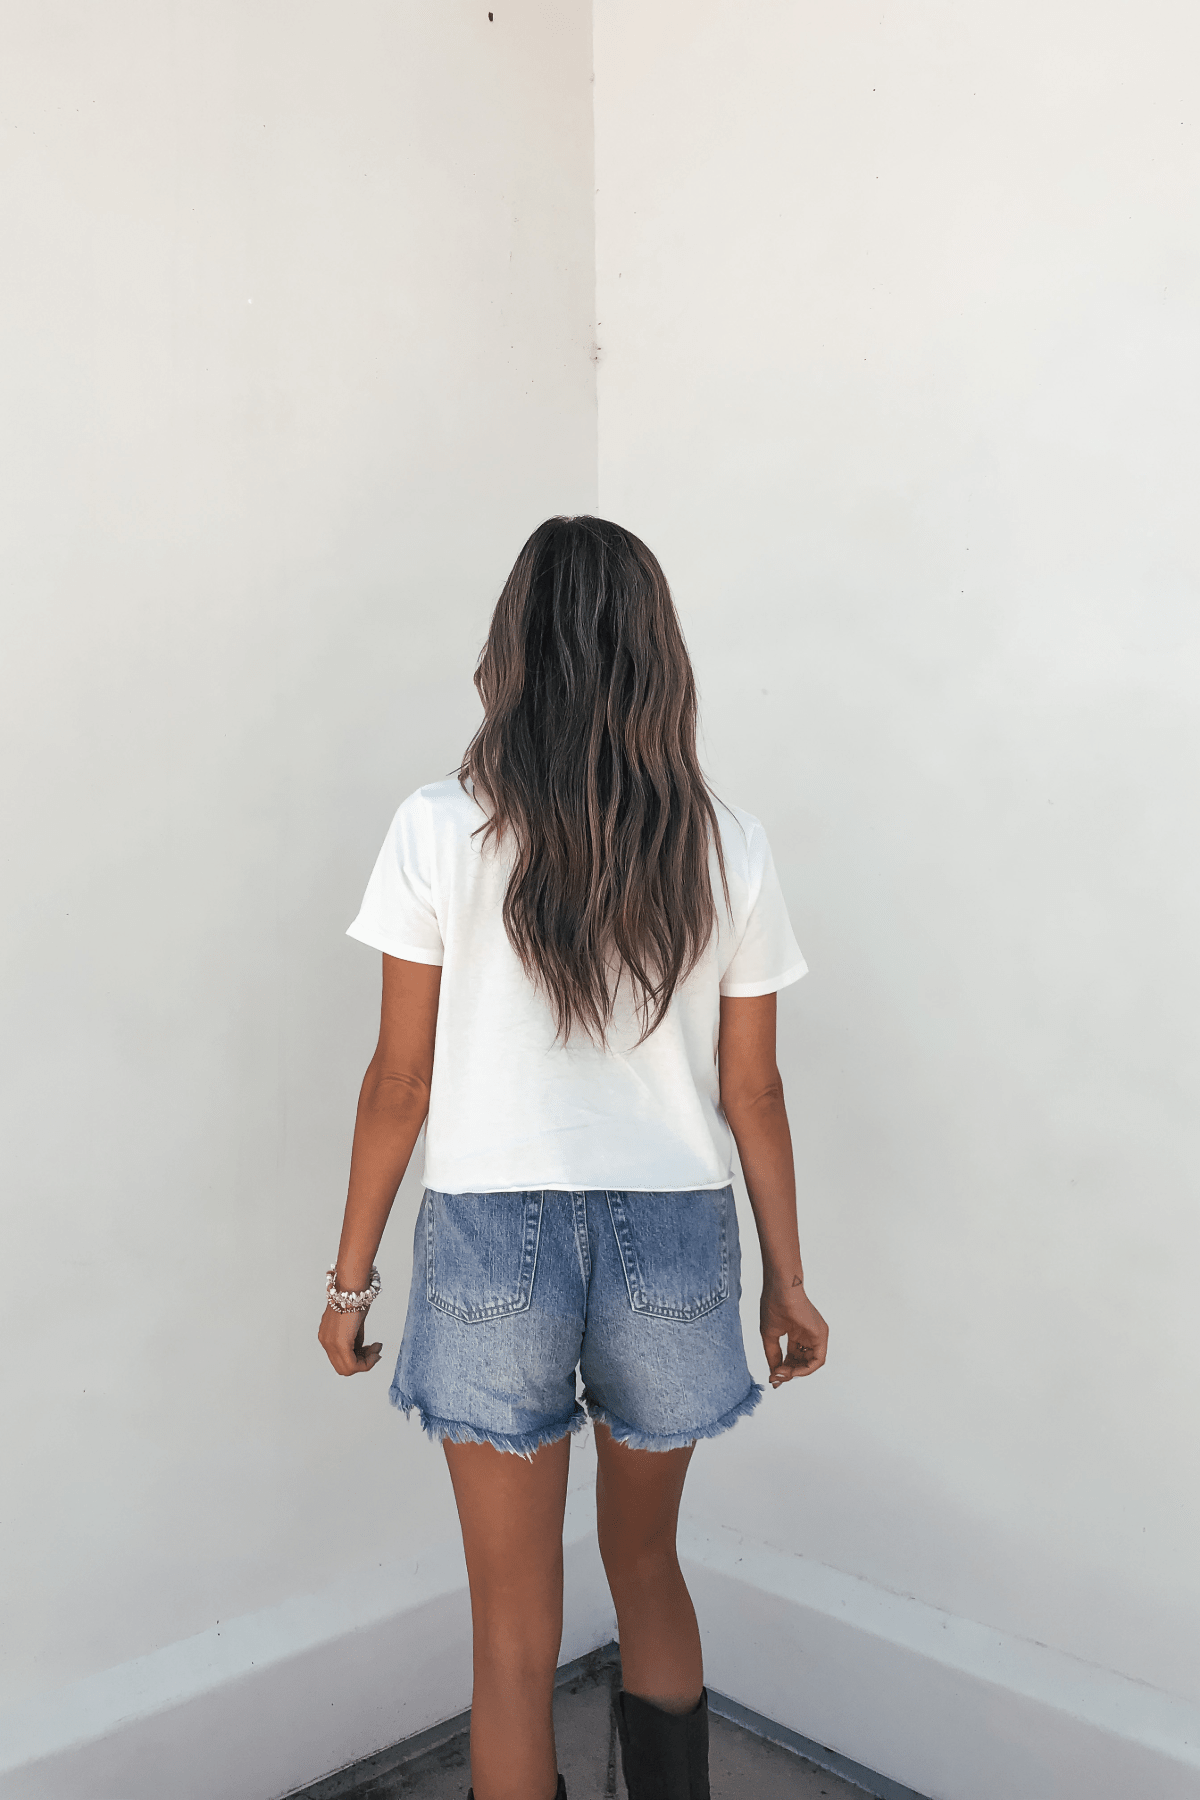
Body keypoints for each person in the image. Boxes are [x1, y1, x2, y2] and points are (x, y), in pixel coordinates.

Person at [318, 516, 829, 1800]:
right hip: (677, 1237)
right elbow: (752, 1089)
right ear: (659, 657)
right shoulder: (729, 844)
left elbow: (400, 1082)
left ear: (514, 649)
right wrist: (787, 1278)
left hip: (492, 1235)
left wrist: (348, 1281)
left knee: (512, 1629)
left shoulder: (440, 829)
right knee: (648, 1569)